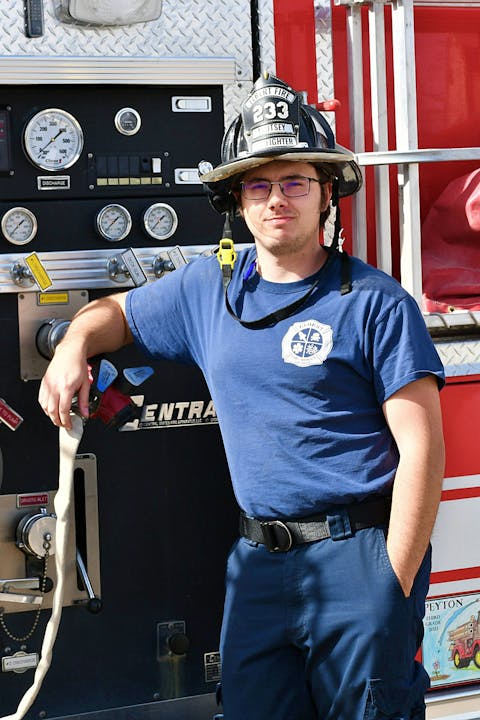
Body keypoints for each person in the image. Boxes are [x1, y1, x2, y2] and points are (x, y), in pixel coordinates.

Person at [39, 73, 445, 720]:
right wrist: (71, 348)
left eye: (294, 182)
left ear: (326, 194)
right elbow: (113, 313)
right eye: (258, 184)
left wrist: (388, 592)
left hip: (357, 559)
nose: (276, 198)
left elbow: (423, 453)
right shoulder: (209, 291)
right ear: (237, 201)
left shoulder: (376, 304)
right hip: (257, 569)